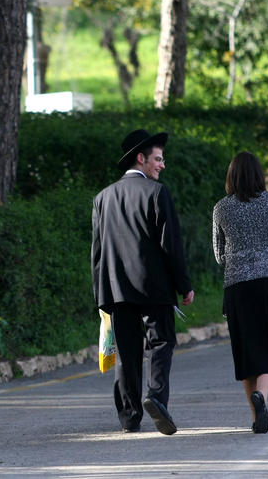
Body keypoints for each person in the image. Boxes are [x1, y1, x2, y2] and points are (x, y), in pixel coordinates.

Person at [92, 129, 194, 435]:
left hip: (116, 289)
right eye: (158, 159)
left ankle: (129, 416)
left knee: (127, 351)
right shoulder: (157, 193)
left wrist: (101, 296)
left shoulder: (102, 198)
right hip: (155, 287)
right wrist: (184, 284)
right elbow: (171, 245)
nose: (162, 165)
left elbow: (97, 252)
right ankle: (156, 398)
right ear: (141, 158)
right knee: (161, 342)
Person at [212, 151, 268, 434]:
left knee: (248, 351)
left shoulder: (221, 208)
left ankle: (257, 415)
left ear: (231, 176)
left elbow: (219, 255)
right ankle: (263, 398)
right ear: (259, 174)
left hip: (238, 286)